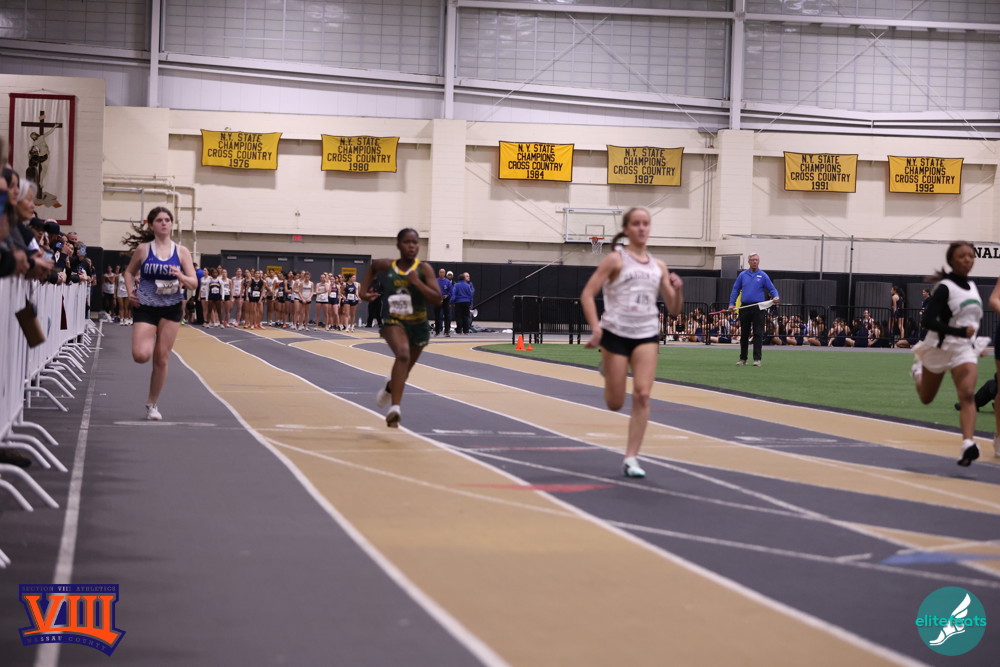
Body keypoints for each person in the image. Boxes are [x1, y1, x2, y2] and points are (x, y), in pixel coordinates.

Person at [580, 207, 683, 478]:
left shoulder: (658, 266)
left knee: (642, 394)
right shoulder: (615, 260)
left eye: (645, 223)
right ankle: (607, 365)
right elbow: (588, 294)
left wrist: (678, 289)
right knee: (615, 403)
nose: (641, 228)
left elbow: (674, 309)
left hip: (646, 333)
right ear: (626, 229)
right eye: (636, 223)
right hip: (616, 333)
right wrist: (596, 329)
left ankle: (631, 458)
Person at [910, 241, 990, 466]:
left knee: (967, 394)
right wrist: (959, 332)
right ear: (952, 260)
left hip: (963, 350)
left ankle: (968, 444)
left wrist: (973, 344)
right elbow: (927, 321)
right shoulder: (945, 288)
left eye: (970, 256)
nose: (967, 260)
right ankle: (917, 372)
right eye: (962, 256)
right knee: (926, 398)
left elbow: (971, 321)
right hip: (939, 348)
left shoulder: (972, 286)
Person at [360, 228, 442, 428]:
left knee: (404, 371)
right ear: (398, 245)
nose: (411, 246)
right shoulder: (388, 266)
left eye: (415, 242)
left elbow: (437, 299)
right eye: (407, 242)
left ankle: (390, 387)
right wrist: (363, 292)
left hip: (418, 325)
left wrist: (417, 283)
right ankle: (395, 409)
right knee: (403, 354)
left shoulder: (424, 269)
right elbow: (372, 267)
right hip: (394, 321)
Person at [122, 207, 198, 421]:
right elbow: (128, 272)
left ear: (172, 224)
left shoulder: (181, 251)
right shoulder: (143, 249)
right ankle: (149, 344)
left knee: (162, 359)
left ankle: (152, 404)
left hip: (171, 307)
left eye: (167, 220)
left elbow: (193, 283)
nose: (164, 223)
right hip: (146, 306)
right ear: (152, 225)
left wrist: (181, 276)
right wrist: (130, 292)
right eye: (159, 220)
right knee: (140, 355)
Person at [728, 253, 780, 366]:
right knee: (744, 334)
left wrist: (776, 296)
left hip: (758, 308)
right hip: (745, 307)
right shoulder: (742, 275)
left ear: (759, 261)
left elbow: (772, 289)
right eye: (752, 260)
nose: (754, 262)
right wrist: (731, 304)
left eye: (756, 260)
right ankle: (743, 359)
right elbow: (735, 289)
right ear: (749, 262)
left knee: (758, 333)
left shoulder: (763, 275)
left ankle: (757, 359)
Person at [435, 268, 453, 337]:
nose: (441, 274)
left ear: (445, 274)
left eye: (443, 272)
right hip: (437, 299)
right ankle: (437, 330)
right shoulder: (436, 281)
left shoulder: (447, 282)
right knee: (437, 315)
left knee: (447, 315)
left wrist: (447, 295)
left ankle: (447, 331)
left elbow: (451, 291)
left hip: (445, 300)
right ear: (438, 273)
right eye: (440, 272)